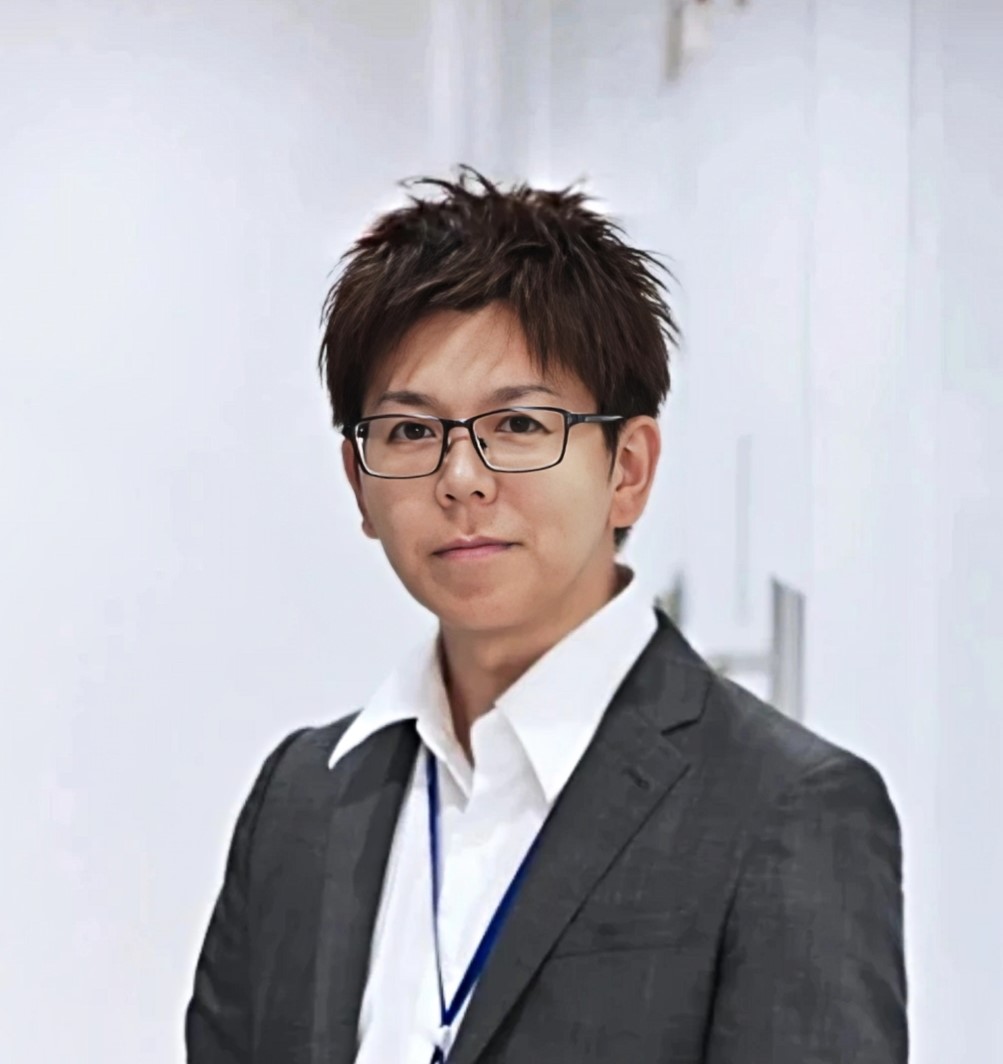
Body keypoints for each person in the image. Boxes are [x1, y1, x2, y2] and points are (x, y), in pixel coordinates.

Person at [185, 168, 907, 1063]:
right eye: (410, 432)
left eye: (519, 426)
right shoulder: (300, 799)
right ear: (358, 484)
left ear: (627, 468)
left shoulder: (783, 808)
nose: (461, 479)